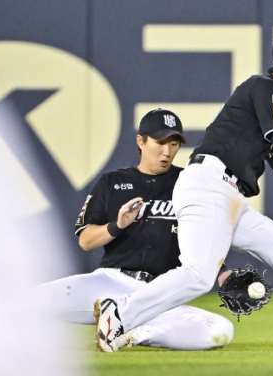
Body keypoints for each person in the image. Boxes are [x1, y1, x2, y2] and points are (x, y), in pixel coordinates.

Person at [96, 30, 273, 352]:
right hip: (208, 185)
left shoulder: (269, 107)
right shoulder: (265, 88)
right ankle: (118, 314)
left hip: (226, 194)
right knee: (199, 275)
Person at [32, 108, 234, 351]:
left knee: (221, 330)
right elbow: (86, 241)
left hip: (161, 294)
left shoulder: (189, 184)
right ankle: (113, 318)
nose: (167, 151)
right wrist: (117, 225)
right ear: (141, 141)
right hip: (109, 284)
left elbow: (204, 240)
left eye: (173, 143)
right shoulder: (113, 181)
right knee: (26, 300)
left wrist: (224, 274)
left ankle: (128, 333)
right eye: (159, 142)